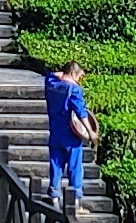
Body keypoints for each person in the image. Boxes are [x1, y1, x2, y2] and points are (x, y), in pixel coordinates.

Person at [42, 60, 100, 210]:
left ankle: (54, 197)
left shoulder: (50, 83)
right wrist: (91, 132)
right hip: (70, 135)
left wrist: (66, 74)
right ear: (74, 74)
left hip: (55, 131)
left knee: (55, 164)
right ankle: (75, 202)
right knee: (75, 167)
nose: (79, 81)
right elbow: (81, 112)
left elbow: (53, 74)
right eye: (79, 77)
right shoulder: (74, 90)